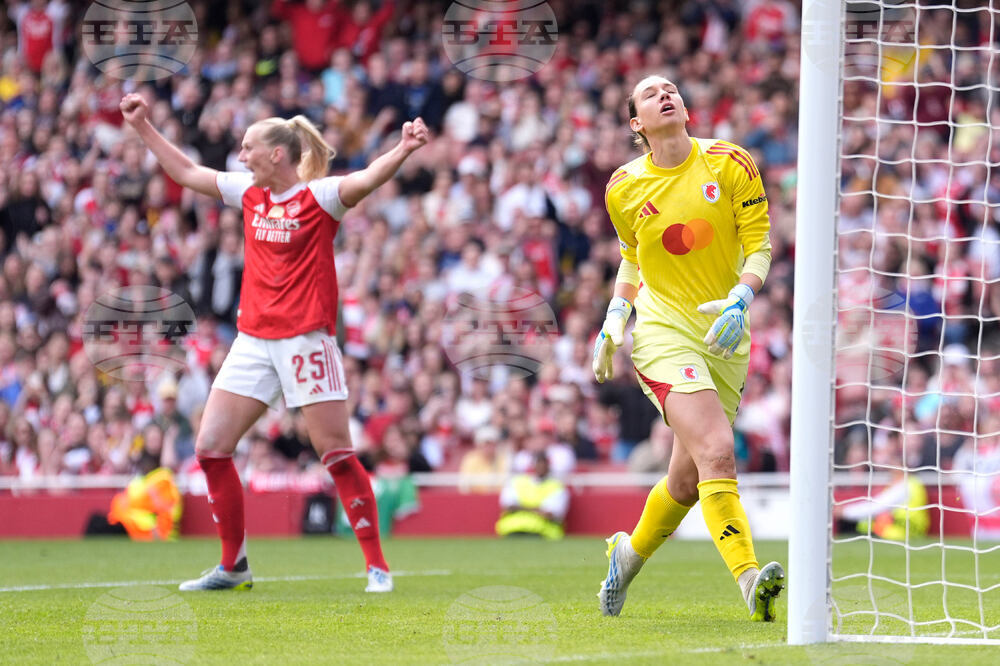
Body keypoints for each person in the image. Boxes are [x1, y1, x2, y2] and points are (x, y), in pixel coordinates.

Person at [119, 92, 428, 592]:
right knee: (211, 448)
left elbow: (368, 179)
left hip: (306, 342)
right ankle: (234, 566)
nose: (241, 157)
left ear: (277, 155)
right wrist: (143, 127)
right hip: (253, 341)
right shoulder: (247, 193)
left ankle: (377, 566)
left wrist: (404, 149)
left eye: (248, 148)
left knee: (336, 454)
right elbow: (186, 173)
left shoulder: (319, 197)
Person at [593, 75, 784, 621]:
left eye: (671, 89)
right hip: (662, 331)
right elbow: (632, 256)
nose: (665, 95)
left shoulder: (731, 162)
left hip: (724, 331)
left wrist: (741, 298)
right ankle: (752, 584)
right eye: (651, 94)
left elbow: (760, 245)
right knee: (720, 451)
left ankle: (624, 558)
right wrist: (615, 317)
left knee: (686, 479)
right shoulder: (623, 187)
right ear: (638, 123)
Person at [495, 452, 570, 540]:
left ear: (549, 466)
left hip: (542, 533)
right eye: (538, 463)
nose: (541, 467)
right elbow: (508, 506)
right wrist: (537, 509)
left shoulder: (556, 487)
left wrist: (520, 507)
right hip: (513, 530)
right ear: (533, 465)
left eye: (543, 464)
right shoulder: (517, 481)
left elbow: (549, 513)